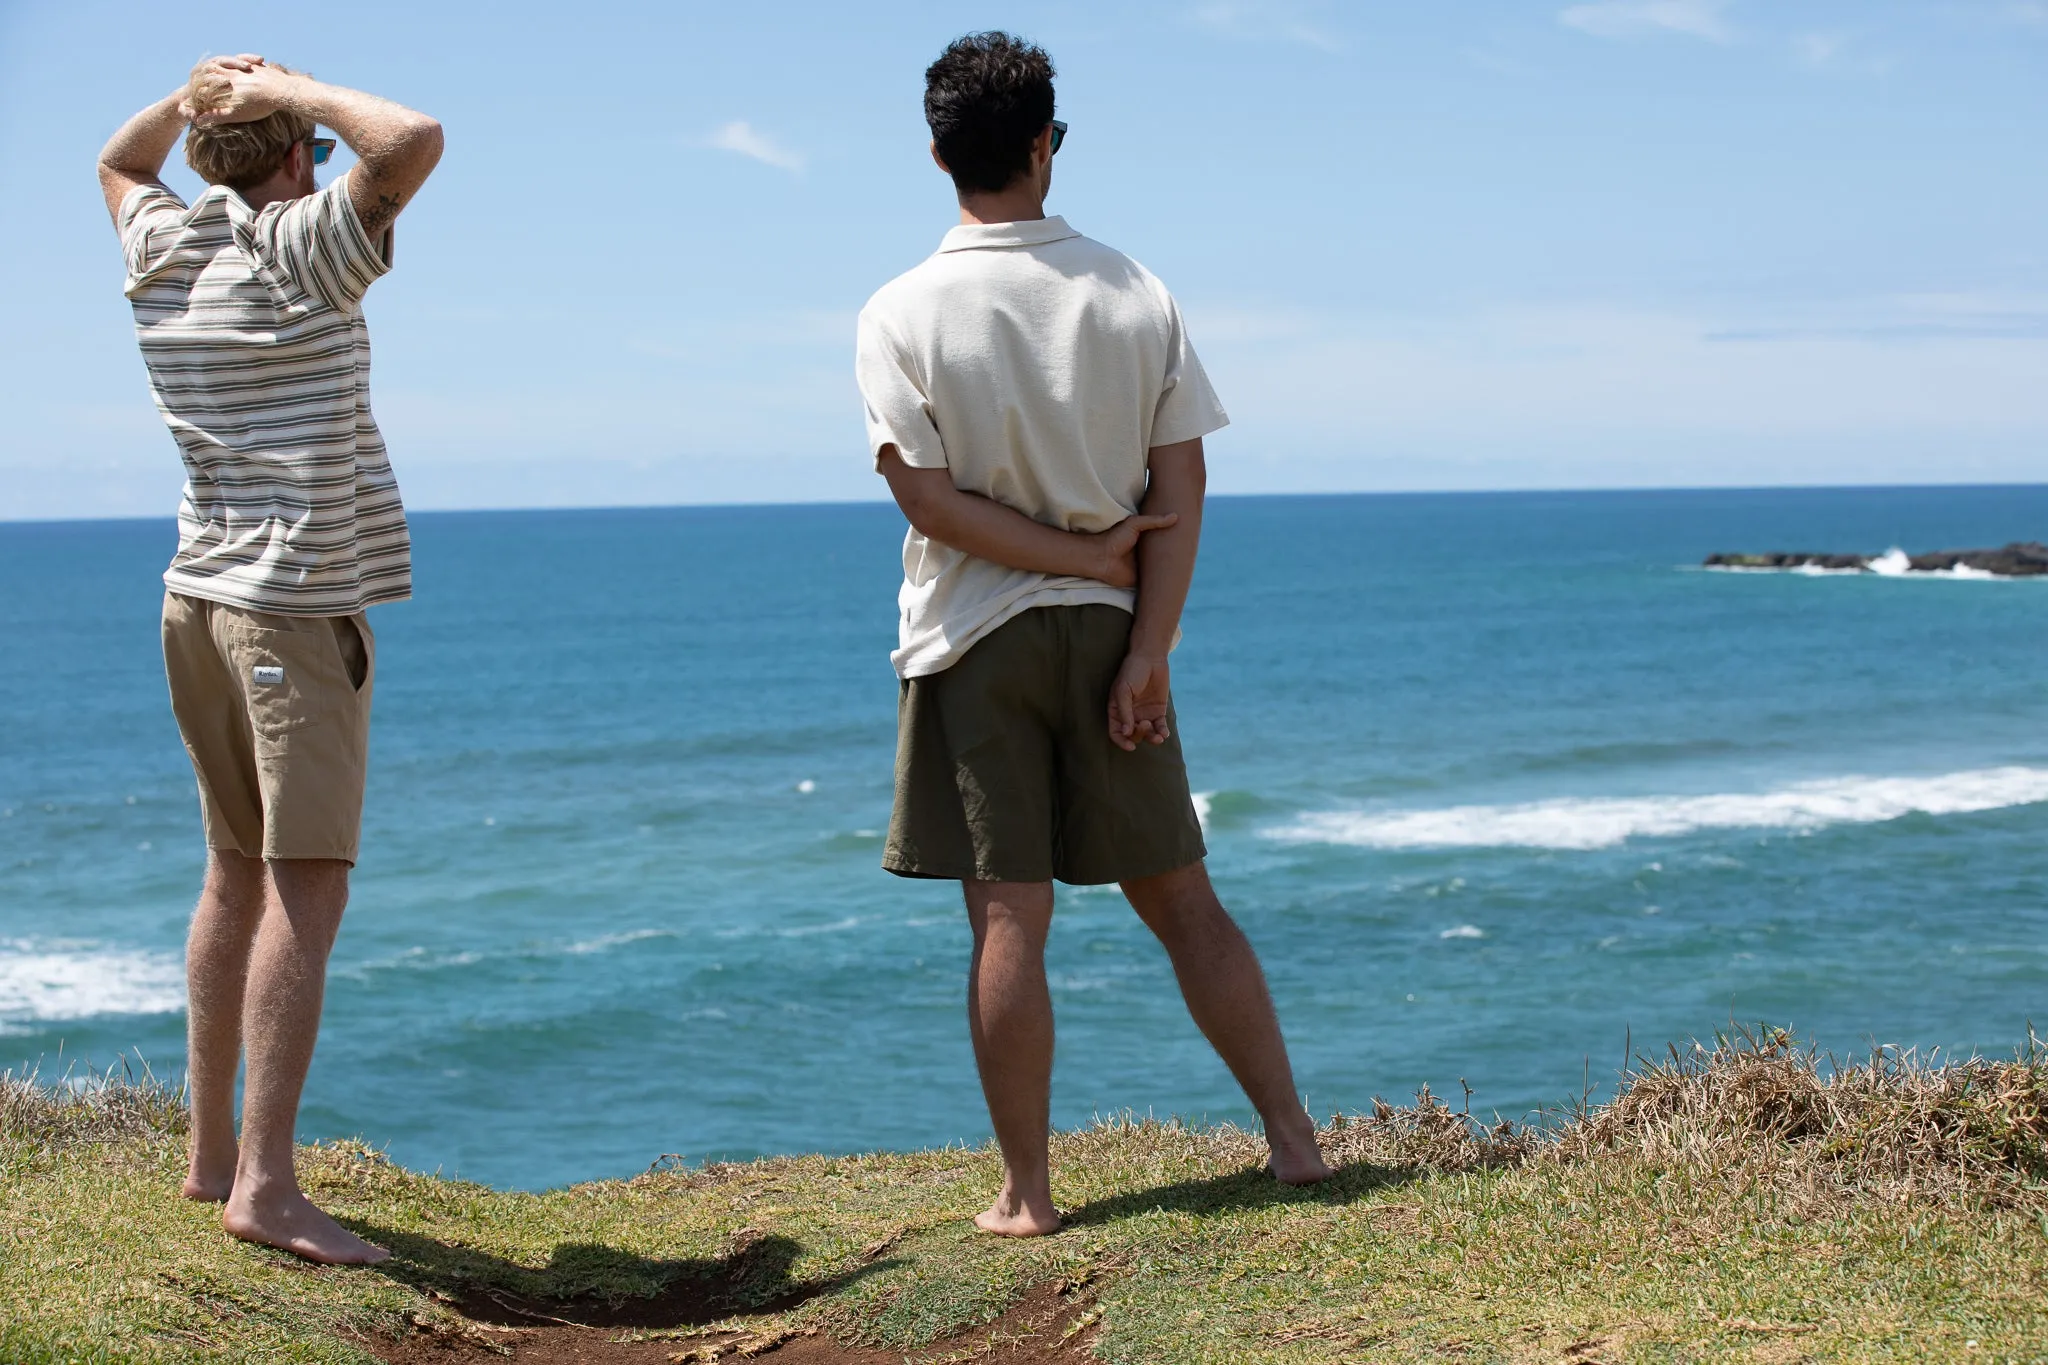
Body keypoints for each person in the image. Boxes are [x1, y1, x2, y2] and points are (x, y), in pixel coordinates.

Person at [856, 31, 1334, 1238]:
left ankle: (1026, 1195)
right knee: (1183, 902)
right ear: (1041, 145)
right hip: (1114, 631)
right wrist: (1144, 644)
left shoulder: (899, 309)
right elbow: (1180, 492)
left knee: (1008, 915)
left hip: (972, 641)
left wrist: (1059, 559)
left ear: (935, 155)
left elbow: (926, 499)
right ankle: (1291, 1140)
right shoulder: (1134, 291)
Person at [96, 55, 442, 1264]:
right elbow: (411, 139)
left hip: (193, 598)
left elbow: (118, 162)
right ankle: (266, 1187)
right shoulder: (300, 247)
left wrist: (190, 98)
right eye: (315, 149)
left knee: (231, 871)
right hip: (293, 613)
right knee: (307, 884)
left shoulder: (161, 245)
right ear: (296, 158)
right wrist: (289, 82)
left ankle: (208, 1164)